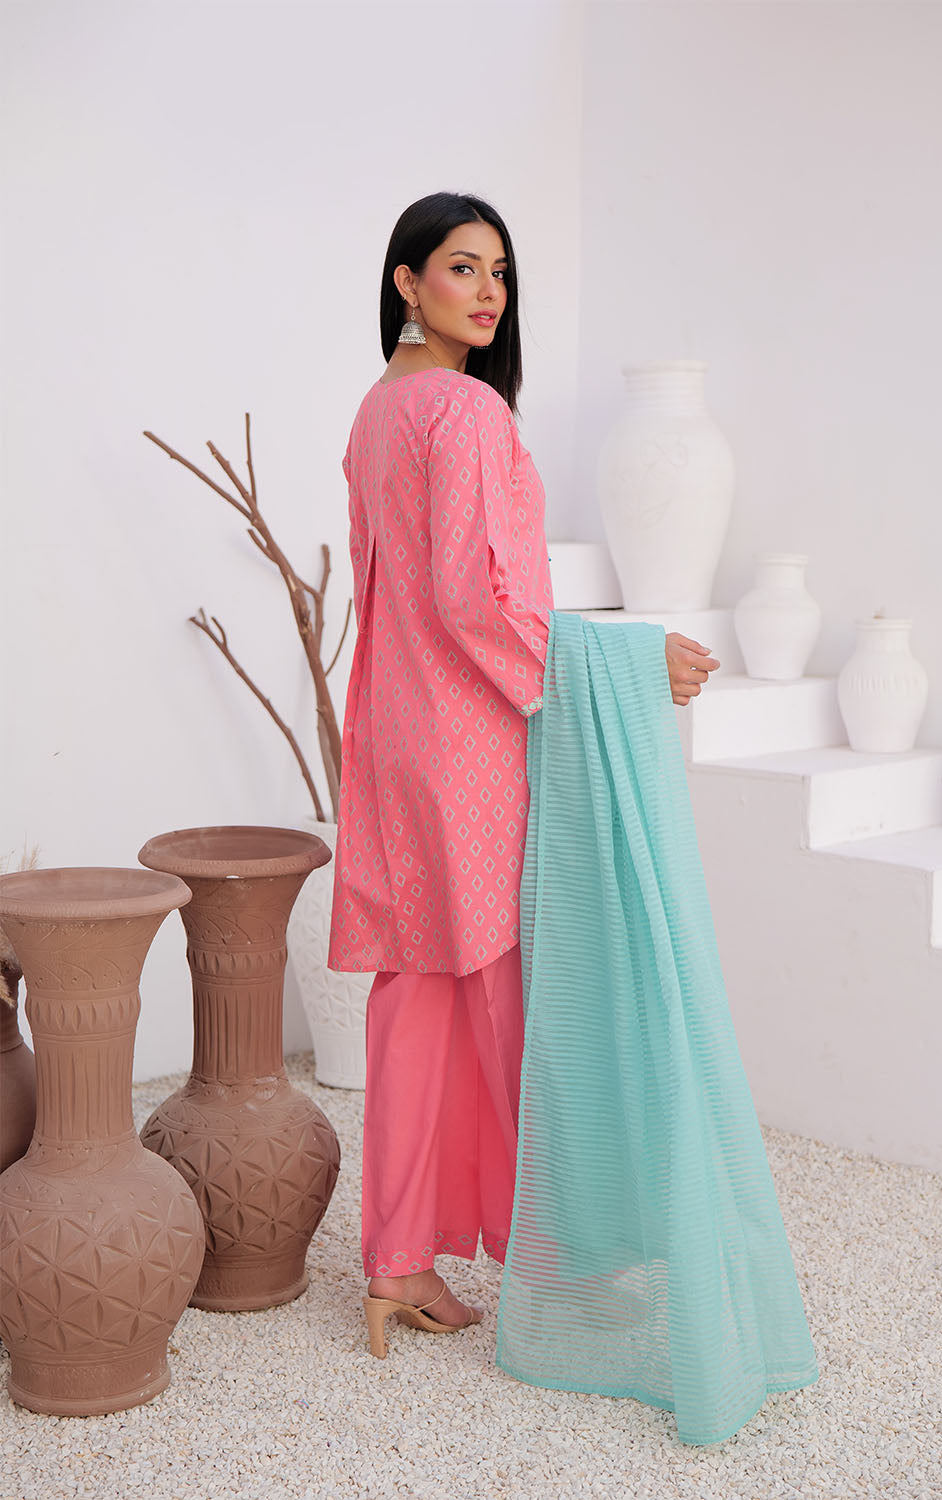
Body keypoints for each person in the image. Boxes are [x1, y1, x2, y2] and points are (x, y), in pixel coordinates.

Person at [329, 192, 719, 1358]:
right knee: (512, 1005)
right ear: (406, 282)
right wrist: (623, 661)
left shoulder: (377, 410)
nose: (488, 291)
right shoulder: (463, 409)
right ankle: (563, 1266)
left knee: (416, 995)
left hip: (392, 730)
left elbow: (407, 595)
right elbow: (469, 598)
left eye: (498, 271)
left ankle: (397, 1262)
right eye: (461, 268)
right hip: (464, 742)